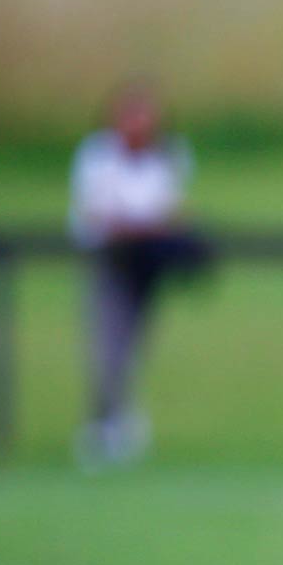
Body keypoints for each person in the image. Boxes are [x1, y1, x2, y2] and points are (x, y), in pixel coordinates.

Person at [68, 80, 209, 469]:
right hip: (110, 261)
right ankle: (103, 428)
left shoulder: (169, 155)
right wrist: (150, 226)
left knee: (132, 344)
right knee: (106, 344)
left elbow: (172, 210)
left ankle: (119, 422)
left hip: (147, 264)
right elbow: (100, 217)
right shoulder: (98, 156)